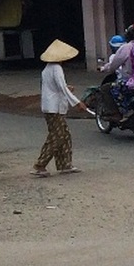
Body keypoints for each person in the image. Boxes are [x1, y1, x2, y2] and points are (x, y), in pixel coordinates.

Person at [32, 38, 88, 177]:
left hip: (50, 106)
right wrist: (76, 102)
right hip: (54, 107)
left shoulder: (47, 69)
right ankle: (40, 164)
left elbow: (56, 87)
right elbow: (62, 88)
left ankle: (64, 164)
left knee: (64, 134)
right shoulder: (56, 69)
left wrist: (67, 90)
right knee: (57, 136)